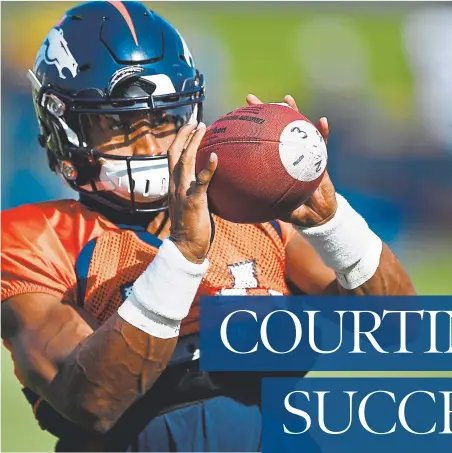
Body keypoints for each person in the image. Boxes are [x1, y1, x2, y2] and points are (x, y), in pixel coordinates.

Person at [1, 1, 415, 451]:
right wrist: (182, 258)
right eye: (116, 122)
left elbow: (396, 334)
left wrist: (331, 221)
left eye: (162, 117)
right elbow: (94, 400)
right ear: (64, 127)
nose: (149, 143)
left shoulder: (254, 217)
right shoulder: (33, 238)